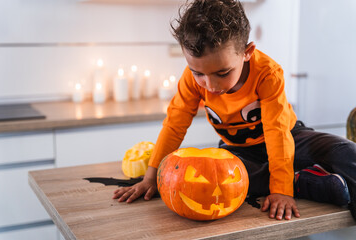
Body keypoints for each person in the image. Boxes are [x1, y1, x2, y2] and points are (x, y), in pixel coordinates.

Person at [113, 0, 356, 221]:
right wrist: (150, 178)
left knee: (347, 152)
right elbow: (175, 125)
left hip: (290, 137)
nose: (211, 85)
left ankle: (287, 180)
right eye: (198, 73)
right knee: (217, 185)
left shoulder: (268, 73)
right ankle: (301, 181)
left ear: (247, 53)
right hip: (239, 150)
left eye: (222, 73)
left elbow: (277, 132)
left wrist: (281, 192)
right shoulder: (190, 80)